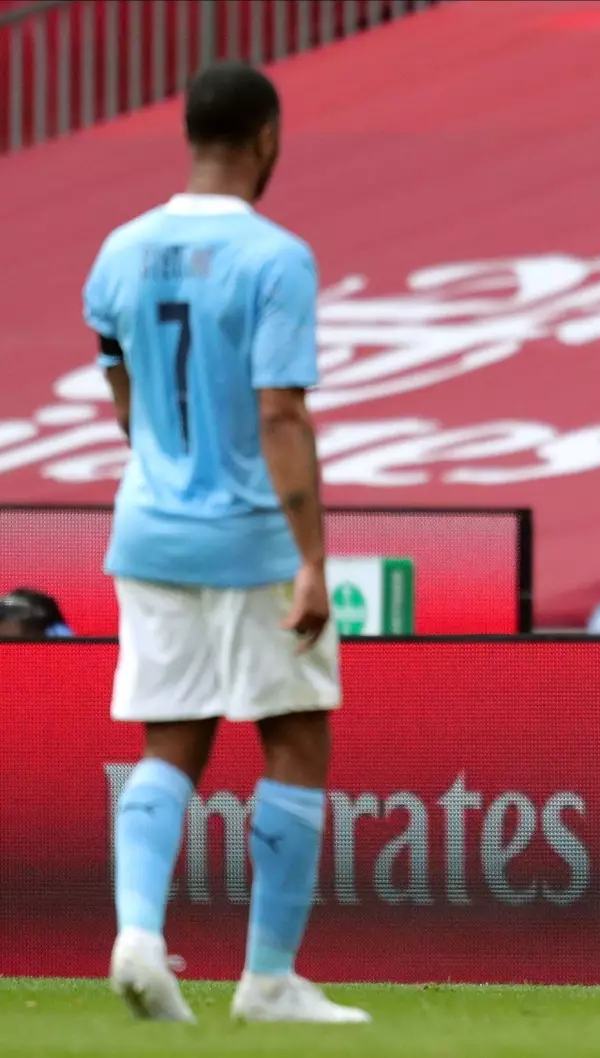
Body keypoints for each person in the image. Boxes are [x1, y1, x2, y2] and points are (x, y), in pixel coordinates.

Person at [83, 61, 368, 1024]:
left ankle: (135, 937)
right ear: (268, 139)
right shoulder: (275, 257)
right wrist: (314, 560)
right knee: (294, 738)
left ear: (188, 137)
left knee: (171, 742)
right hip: (248, 538)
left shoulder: (118, 252)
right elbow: (281, 411)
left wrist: (168, 460)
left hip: (150, 530)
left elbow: (123, 393)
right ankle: (269, 982)